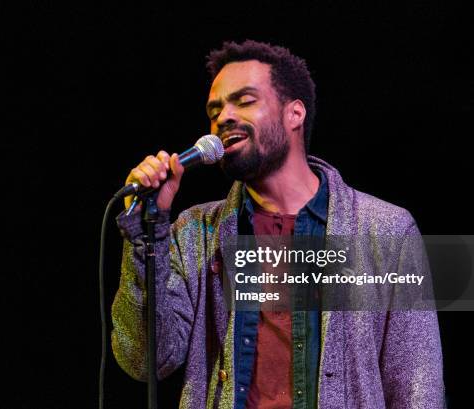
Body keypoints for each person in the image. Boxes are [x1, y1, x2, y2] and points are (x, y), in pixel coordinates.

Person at [111, 40, 445, 409]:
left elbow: (418, 387)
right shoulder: (195, 232)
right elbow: (144, 360)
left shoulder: (386, 230)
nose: (223, 117)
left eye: (245, 100)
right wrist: (148, 233)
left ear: (294, 114)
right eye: (215, 108)